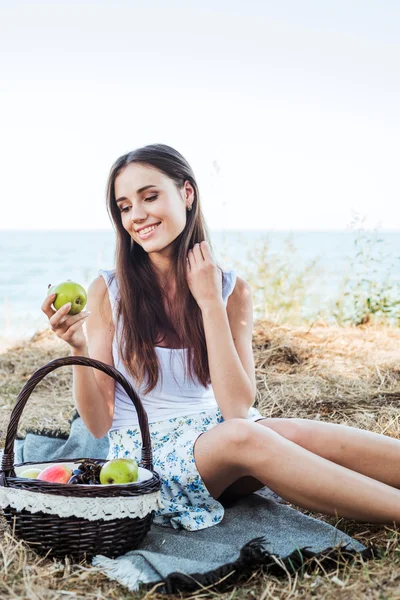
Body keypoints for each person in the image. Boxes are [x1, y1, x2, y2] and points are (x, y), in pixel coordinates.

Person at [42, 143, 400, 531]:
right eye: (125, 206)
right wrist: (78, 348)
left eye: (150, 197)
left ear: (187, 193)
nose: (138, 215)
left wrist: (210, 301)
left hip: (223, 435)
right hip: (149, 459)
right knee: (245, 436)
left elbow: (236, 408)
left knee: (287, 429)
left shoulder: (233, 291)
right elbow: (98, 424)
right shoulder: (108, 291)